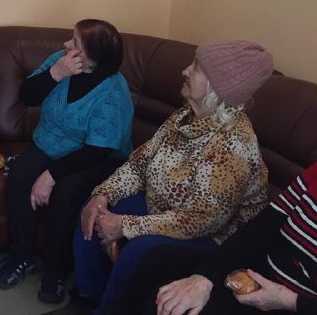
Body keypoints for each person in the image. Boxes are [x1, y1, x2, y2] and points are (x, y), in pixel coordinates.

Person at [69, 40, 274, 314]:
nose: (185, 70)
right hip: (164, 209)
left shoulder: (233, 144)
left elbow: (200, 220)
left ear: (217, 87)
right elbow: (139, 164)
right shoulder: (185, 116)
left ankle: (109, 310)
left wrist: (125, 226)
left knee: (140, 251)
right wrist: (103, 194)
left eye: (196, 68)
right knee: (93, 210)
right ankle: (89, 296)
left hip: (213, 236)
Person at [0, 19, 134, 305]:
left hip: (96, 157)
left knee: (66, 192)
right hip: (50, 142)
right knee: (19, 178)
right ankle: (22, 255)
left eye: (75, 43)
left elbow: (96, 151)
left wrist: (50, 175)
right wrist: (55, 74)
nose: (66, 45)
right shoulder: (60, 61)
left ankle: (55, 269)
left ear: (93, 59)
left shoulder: (113, 93)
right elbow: (26, 96)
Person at [105, 162, 317, 315]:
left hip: (295, 303)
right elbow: (261, 229)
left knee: (173, 305)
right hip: (258, 272)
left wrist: (289, 301)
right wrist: (204, 278)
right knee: (158, 260)